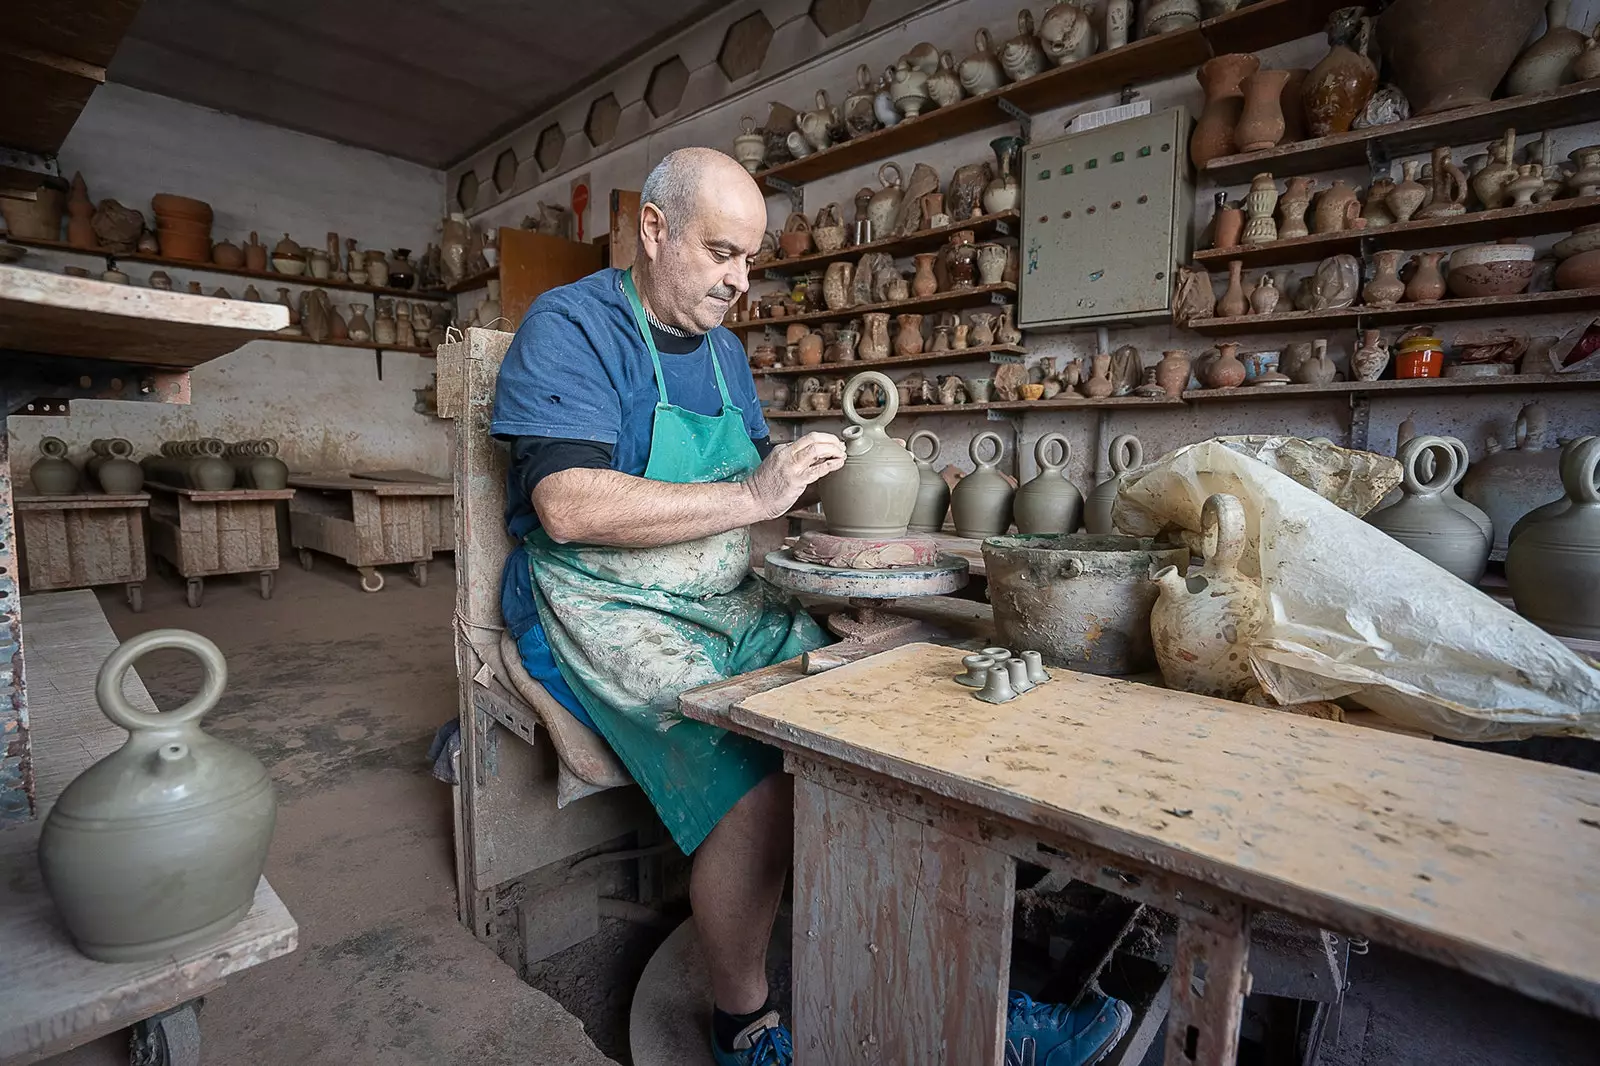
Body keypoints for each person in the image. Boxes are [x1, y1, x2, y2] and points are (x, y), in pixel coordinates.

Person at [492, 148, 1130, 1066]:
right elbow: (568, 505)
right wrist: (757, 496)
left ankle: (973, 1002)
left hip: (723, 593)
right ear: (654, 228)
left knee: (880, 731)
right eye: (721, 253)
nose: (738, 282)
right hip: (600, 606)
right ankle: (742, 1025)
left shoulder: (724, 356)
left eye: (749, 260)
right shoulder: (573, 326)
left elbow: (756, 511)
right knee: (755, 778)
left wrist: (822, 579)